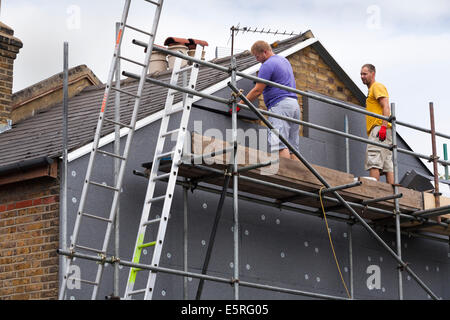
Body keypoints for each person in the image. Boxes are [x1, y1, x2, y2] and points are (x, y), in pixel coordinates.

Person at [238, 40, 300, 160]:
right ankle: (297, 177)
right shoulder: (284, 60)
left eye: (257, 56)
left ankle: (285, 176)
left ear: (265, 52)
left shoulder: (267, 64)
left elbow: (257, 90)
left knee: (279, 144)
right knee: (293, 149)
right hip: (294, 106)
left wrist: (239, 103)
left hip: (280, 106)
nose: (257, 60)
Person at [360, 63, 394, 184]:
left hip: (379, 128)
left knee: (374, 160)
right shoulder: (371, 90)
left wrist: (383, 127)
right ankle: (393, 195)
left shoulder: (376, 86)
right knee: (387, 163)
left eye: (365, 74)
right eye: (361, 74)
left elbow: (386, 106)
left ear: (373, 74)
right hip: (382, 130)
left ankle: (373, 191)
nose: (362, 76)